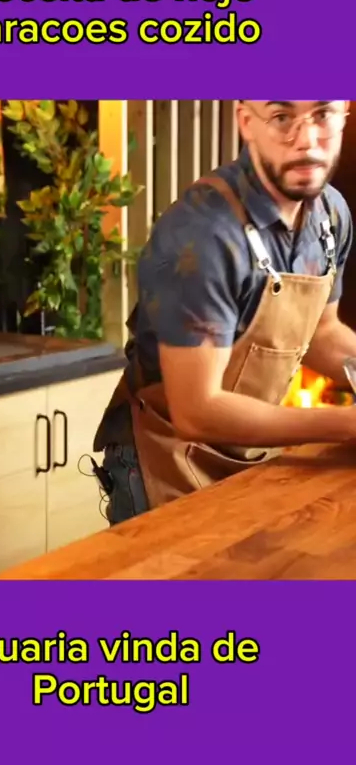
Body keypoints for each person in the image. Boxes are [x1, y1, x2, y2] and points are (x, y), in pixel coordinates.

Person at [92, 99, 356, 525]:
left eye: (323, 114)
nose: (307, 140)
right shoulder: (202, 234)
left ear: (344, 114)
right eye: (282, 117)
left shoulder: (330, 217)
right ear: (247, 121)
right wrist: (345, 425)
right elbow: (197, 409)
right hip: (165, 458)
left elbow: (322, 333)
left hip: (248, 452)